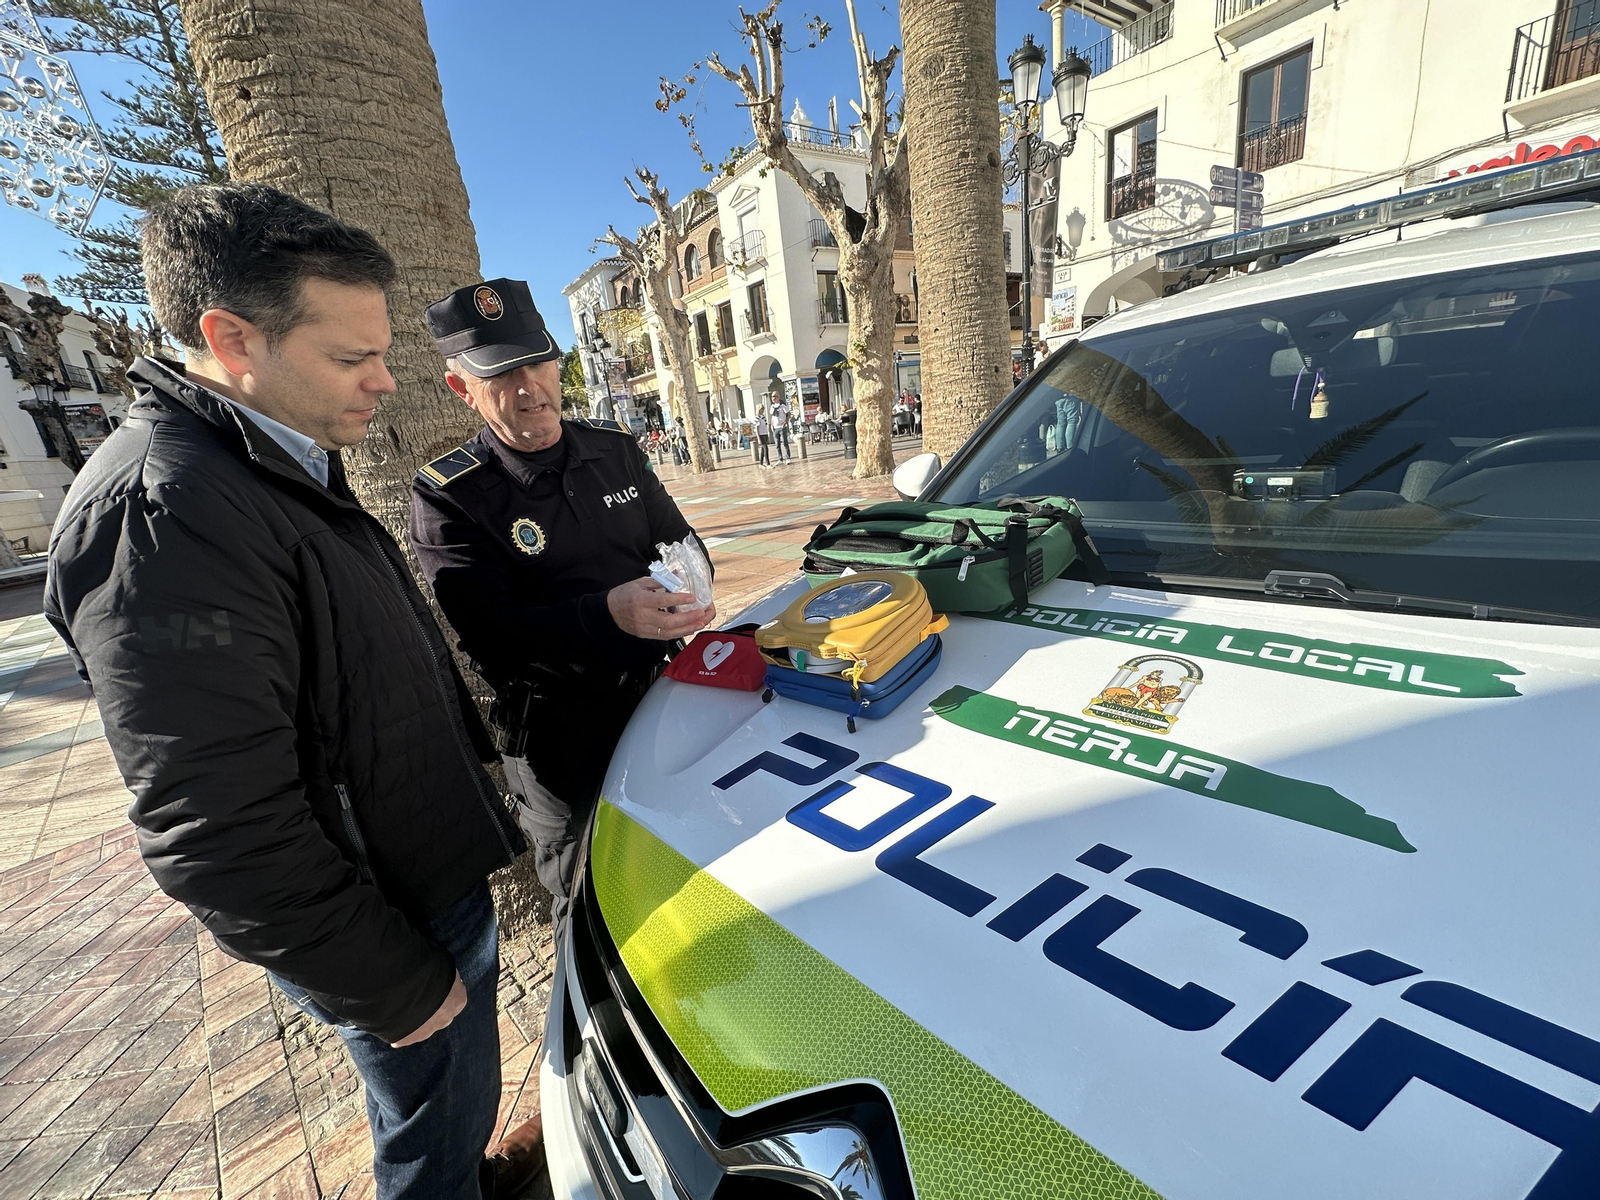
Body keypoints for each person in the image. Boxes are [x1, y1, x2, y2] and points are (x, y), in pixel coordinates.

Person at [42, 184, 543, 1200]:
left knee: (448, 1120)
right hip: (386, 930)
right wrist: (396, 987)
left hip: (415, 889)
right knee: (428, 1136)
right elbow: (214, 830)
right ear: (232, 338)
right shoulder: (165, 515)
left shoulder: (260, 465)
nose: (383, 381)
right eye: (351, 358)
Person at [410, 279, 716, 921]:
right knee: (588, 902)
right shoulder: (449, 497)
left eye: (537, 361)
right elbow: (490, 636)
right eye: (502, 374)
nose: (530, 388)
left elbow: (678, 538)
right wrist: (607, 615)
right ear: (461, 388)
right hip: (561, 739)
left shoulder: (614, 450)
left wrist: (697, 584)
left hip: (664, 696)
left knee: (693, 853)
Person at [772, 399, 793, 463]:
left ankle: (788, 457)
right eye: (772, 397)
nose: (773, 398)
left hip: (782, 427)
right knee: (777, 444)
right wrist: (771, 425)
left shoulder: (783, 406)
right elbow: (772, 416)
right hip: (775, 427)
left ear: (777, 397)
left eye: (774, 396)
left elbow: (788, 414)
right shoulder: (772, 407)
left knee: (785, 442)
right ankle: (780, 458)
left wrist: (785, 422)